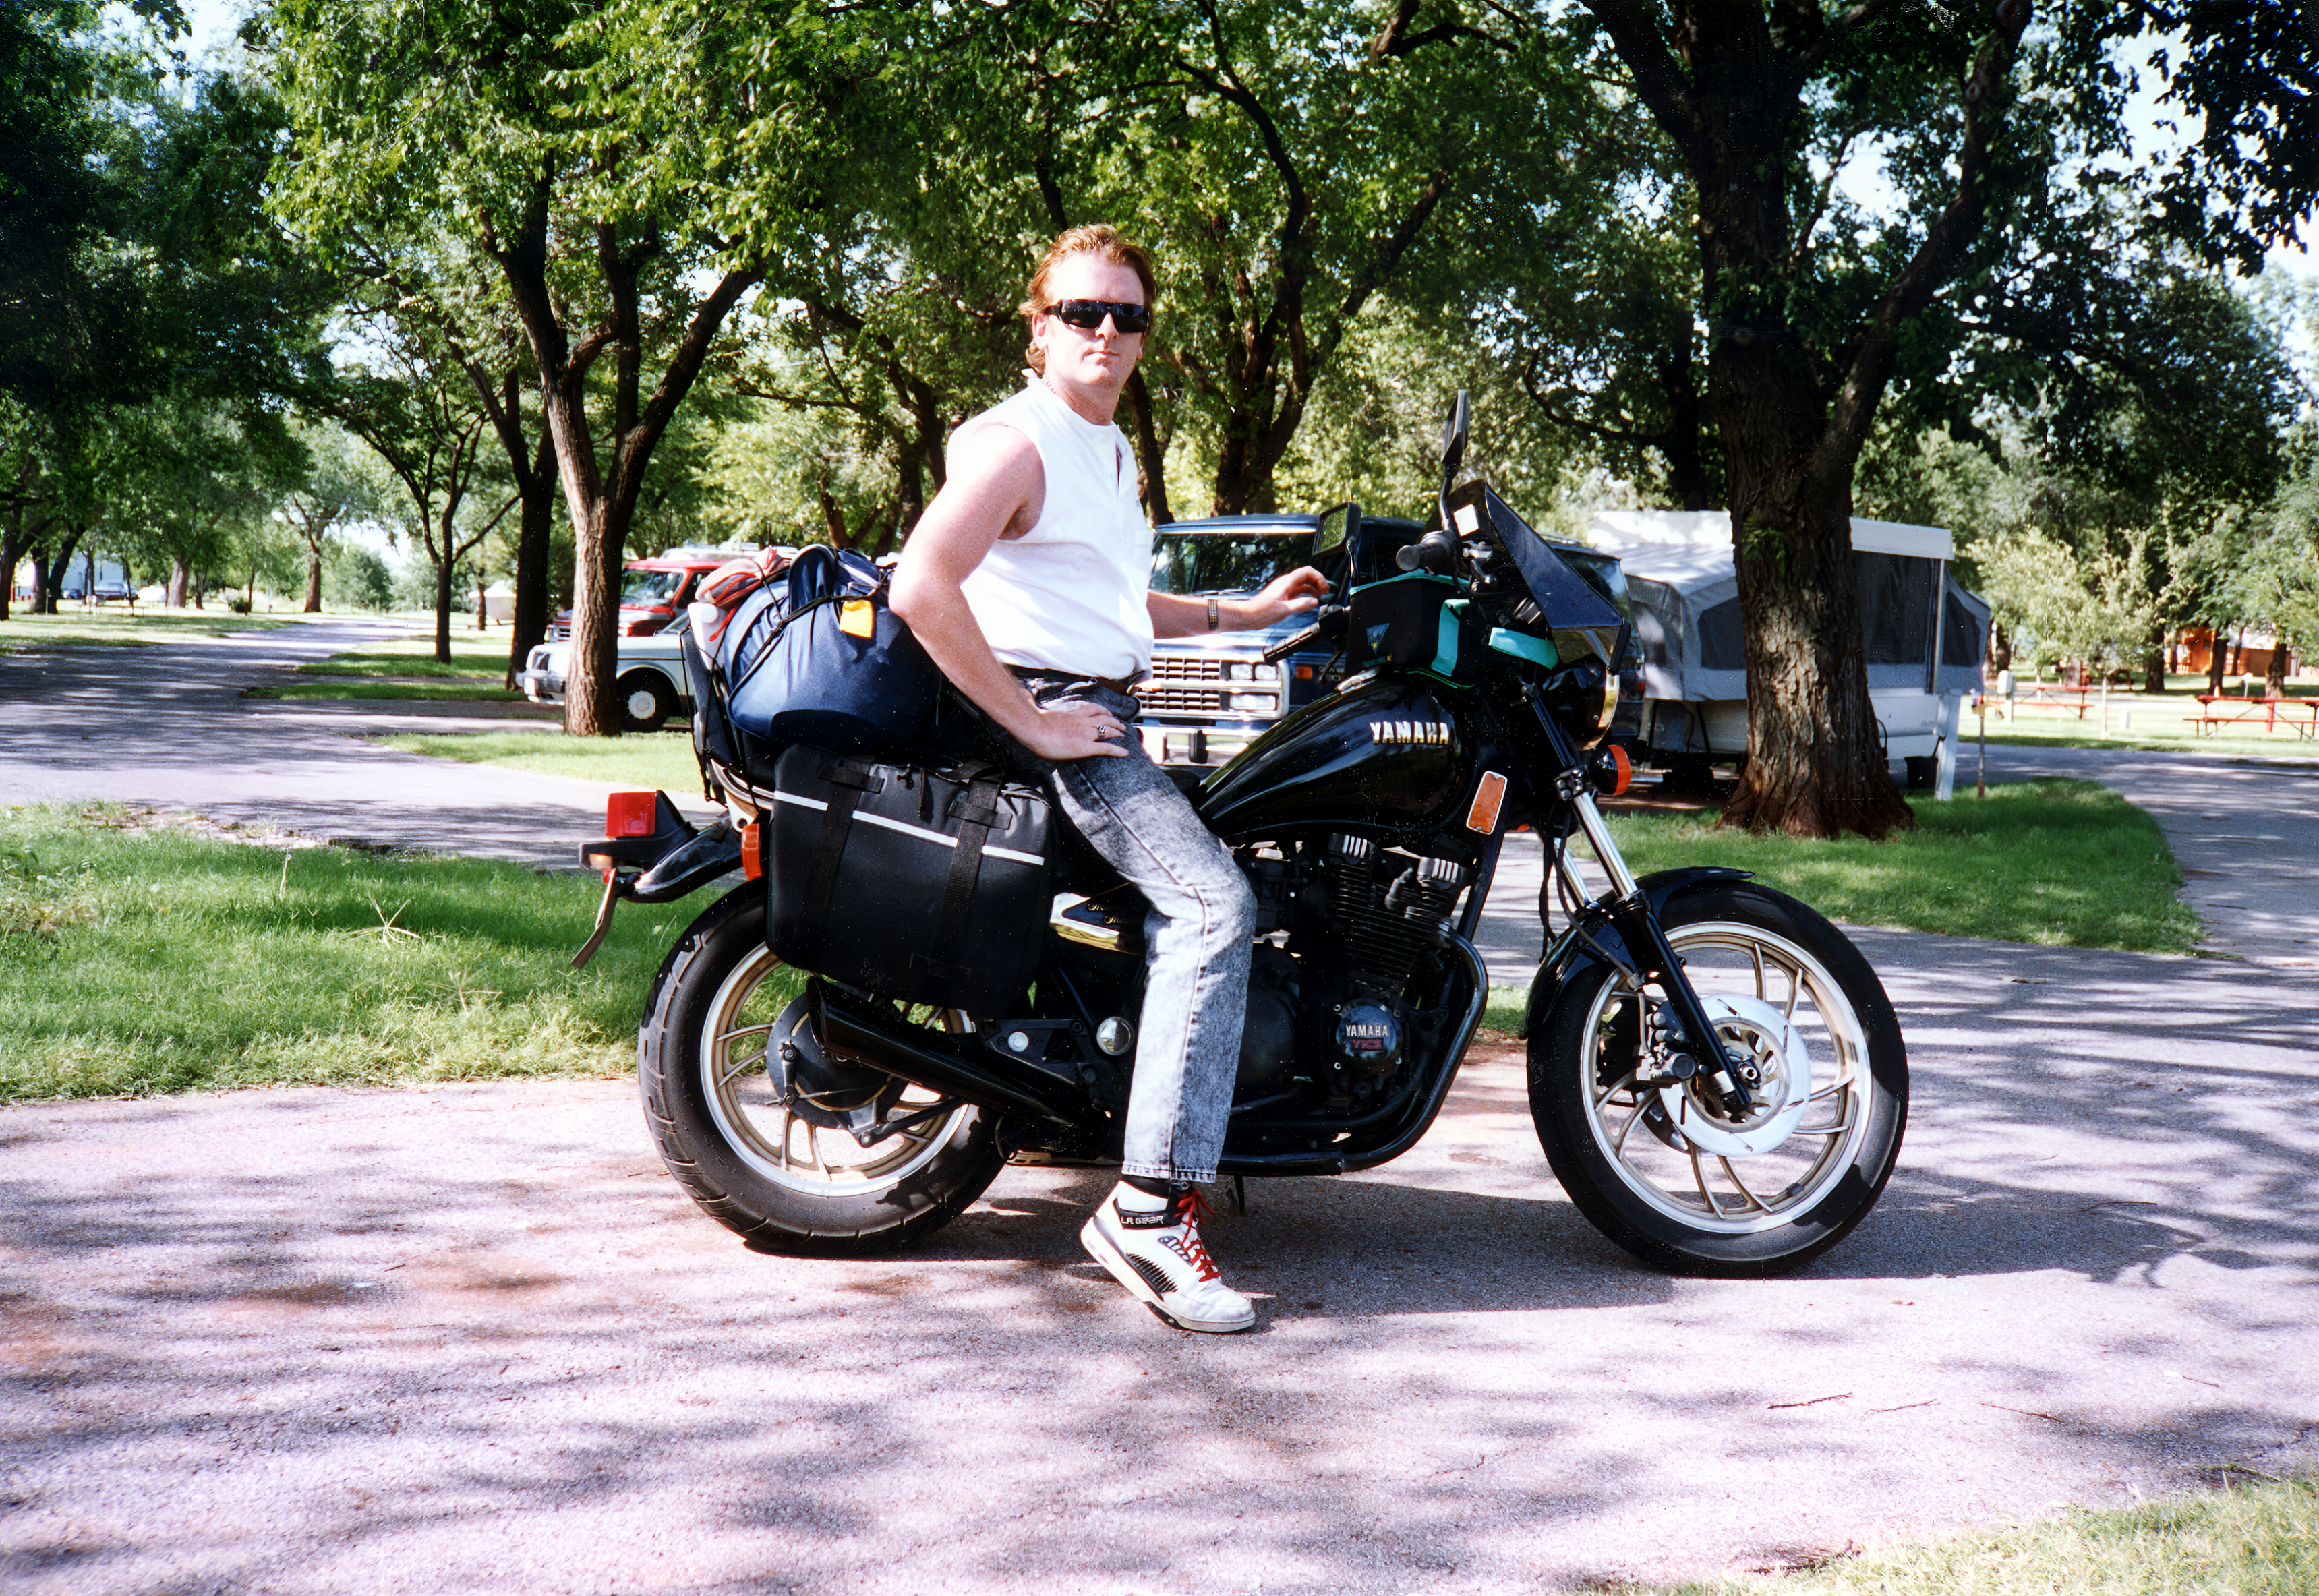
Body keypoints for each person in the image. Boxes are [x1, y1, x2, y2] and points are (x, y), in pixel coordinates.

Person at [891, 226, 1328, 1333]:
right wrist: (1031, 721)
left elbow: (1118, 604)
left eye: (1126, 316)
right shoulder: (1020, 442)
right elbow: (919, 585)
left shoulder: (1110, 450)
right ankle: (1145, 1205)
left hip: (1102, 700)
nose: (1107, 333)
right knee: (1213, 903)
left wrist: (1251, 615)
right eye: (1083, 313)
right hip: (1061, 713)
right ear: (1039, 328)